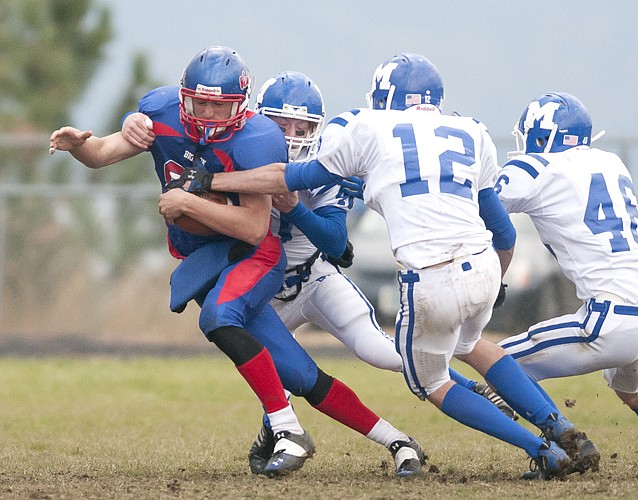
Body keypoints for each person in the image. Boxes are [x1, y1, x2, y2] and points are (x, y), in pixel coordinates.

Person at [161, 53, 601, 479]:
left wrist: (215, 186)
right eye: (280, 123)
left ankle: (538, 446)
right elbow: (503, 232)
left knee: (412, 369)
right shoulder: (471, 130)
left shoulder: (359, 130)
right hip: (474, 265)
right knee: (291, 366)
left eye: (303, 126)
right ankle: (556, 427)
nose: (291, 133)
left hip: (336, 276)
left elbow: (319, 219)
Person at [49, 46, 428, 479]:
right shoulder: (163, 111)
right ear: (183, 95)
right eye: (199, 101)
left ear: (240, 105)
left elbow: (253, 227)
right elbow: (101, 154)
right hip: (207, 259)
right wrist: (79, 146)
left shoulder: (257, 138)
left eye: (219, 104)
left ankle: (286, 429)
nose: (207, 113)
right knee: (300, 375)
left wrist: (187, 200)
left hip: (256, 253)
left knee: (219, 317)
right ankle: (398, 440)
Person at [493, 91, 638, 476]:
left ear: (540, 137)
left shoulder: (539, 169)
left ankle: (560, 450)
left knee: (502, 364)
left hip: (611, 318)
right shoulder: (611, 163)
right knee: (632, 391)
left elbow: (483, 202)